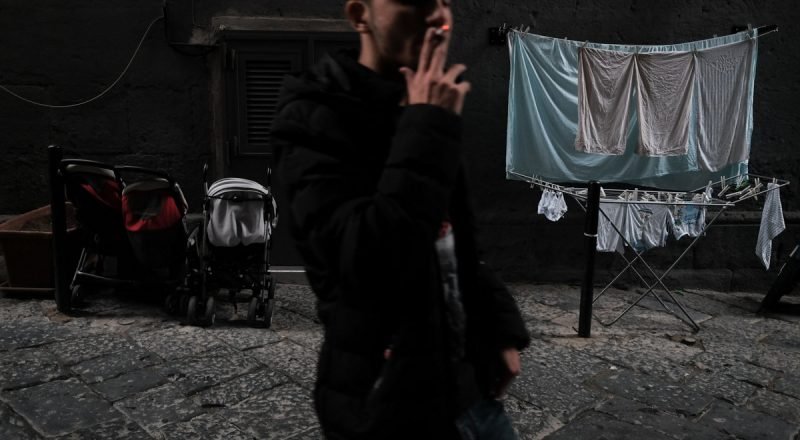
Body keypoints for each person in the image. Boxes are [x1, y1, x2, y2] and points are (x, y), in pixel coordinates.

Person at [271, 0, 531, 438]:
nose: (438, 17)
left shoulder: (426, 105)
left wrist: (499, 328)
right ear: (360, 15)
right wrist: (427, 125)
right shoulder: (313, 116)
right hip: (384, 399)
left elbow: (454, 238)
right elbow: (364, 263)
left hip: (469, 388)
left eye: (443, 2)